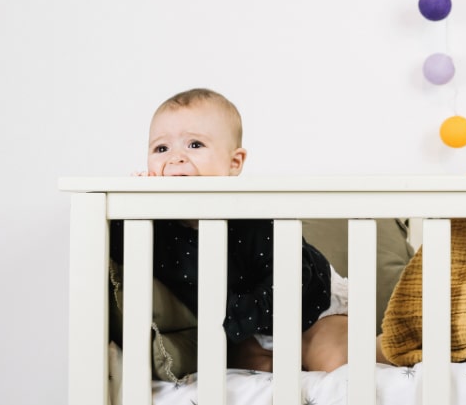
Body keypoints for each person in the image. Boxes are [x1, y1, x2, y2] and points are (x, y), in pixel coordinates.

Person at [111, 88, 349, 373]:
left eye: (194, 144)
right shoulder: (156, 227)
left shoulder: (254, 217)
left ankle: (391, 343)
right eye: (161, 149)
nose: (175, 158)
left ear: (233, 163)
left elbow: (292, 279)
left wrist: (235, 321)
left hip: (310, 311)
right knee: (244, 367)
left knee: (331, 360)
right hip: (241, 327)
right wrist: (135, 205)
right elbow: (118, 250)